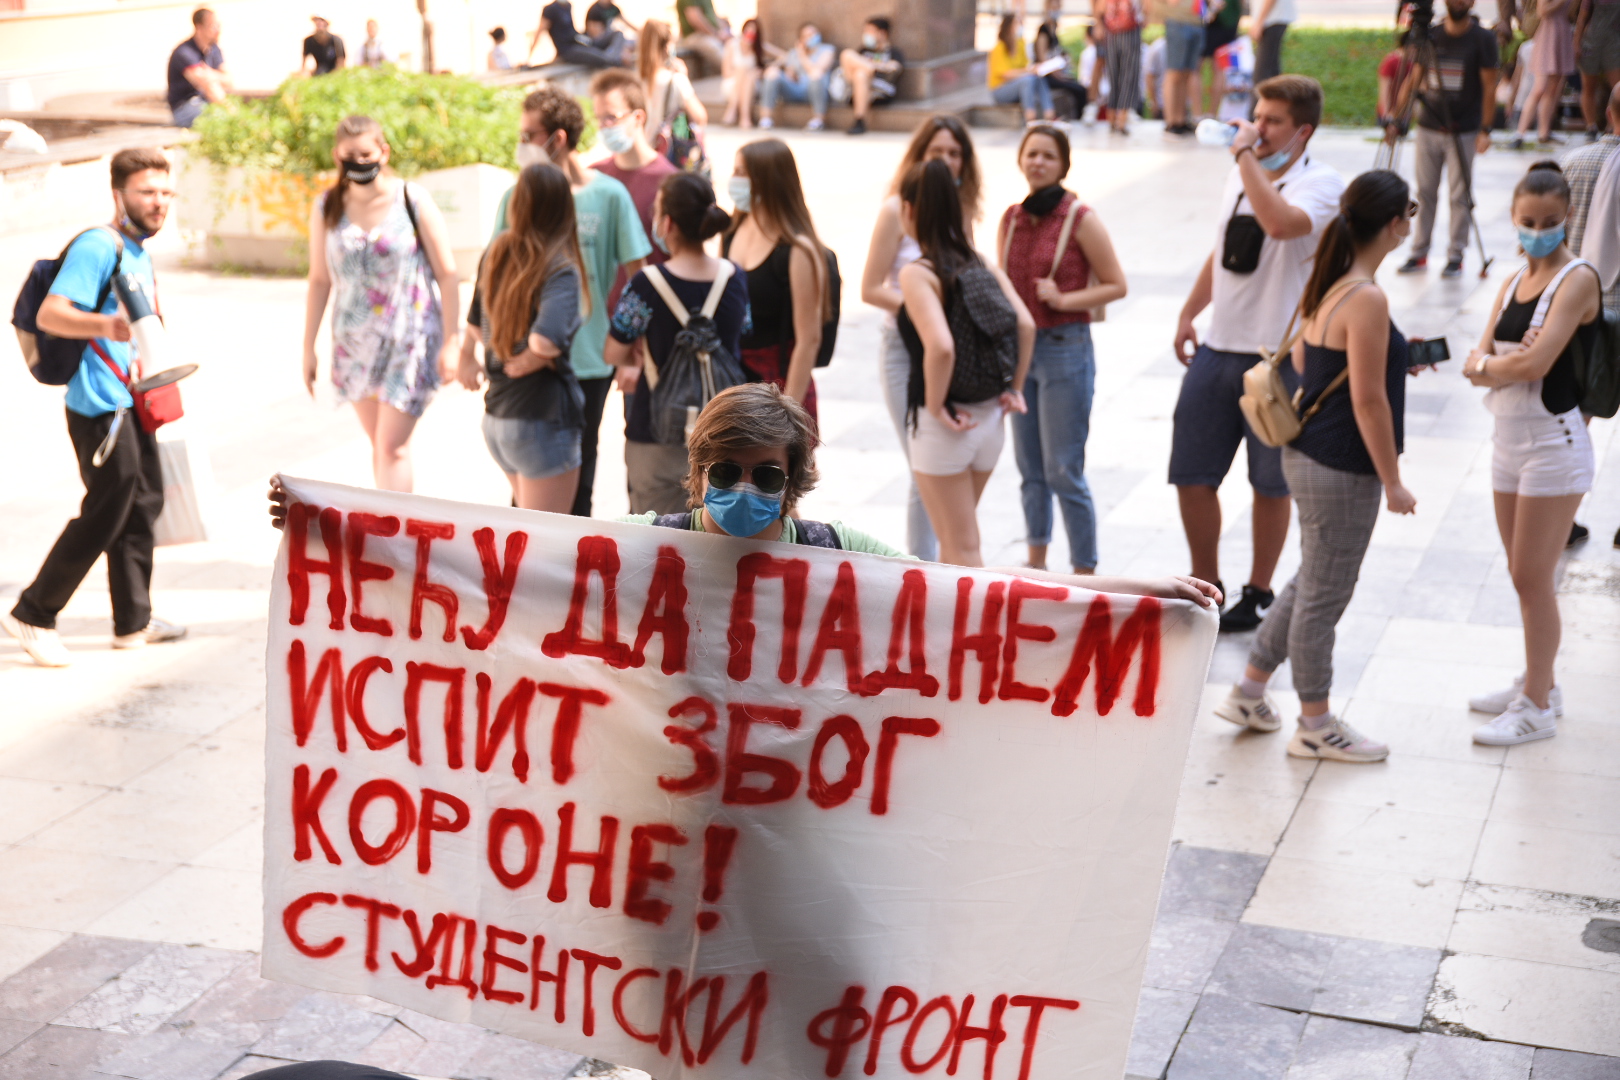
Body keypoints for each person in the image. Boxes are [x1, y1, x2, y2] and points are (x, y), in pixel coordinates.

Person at [269, 386, 1224, 616]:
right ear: (696, 477)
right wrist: (334, 525)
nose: (741, 494)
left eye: (764, 476)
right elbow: (498, 563)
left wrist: (1137, 595)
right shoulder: (647, 545)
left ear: (797, 477)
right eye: (723, 475)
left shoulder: (837, 549)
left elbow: (976, 599)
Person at [1213, 171, 1420, 763]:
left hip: (1305, 454)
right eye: (1409, 210)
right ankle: (1315, 722)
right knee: (1326, 595)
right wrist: (1393, 480)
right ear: (1392, 223)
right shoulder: (1367, 296)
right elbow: (1367, 400)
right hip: (1342, 465)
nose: (1411, 221)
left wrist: (1395, 356)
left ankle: (1250, 690)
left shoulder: (1330, 283)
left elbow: (1310, 361)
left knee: (1311, 579)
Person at [1, 149, 186, 667]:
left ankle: (133, 621)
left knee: (142, 502)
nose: (159, 202)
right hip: (97, 405)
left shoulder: (137, 251)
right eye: (147, 191)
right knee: (107, 508)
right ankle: (33, 613)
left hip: (130, 400)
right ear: (118, 193)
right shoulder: (97, 245)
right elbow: (53, 313)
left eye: (166, 192)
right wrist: (105, 326)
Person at [1171, 75, 1344, 630]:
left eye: (1272, 121)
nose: (1258, 128)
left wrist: (1246, 155)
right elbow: (1223, 249)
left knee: (1270, 481)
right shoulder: (1241, 174)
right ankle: (1208, 583)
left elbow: (1279, 223)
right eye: (1257, 115)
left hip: (1277, 359)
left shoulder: (1321, 184)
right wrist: (1187, 312)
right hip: (1218, 348)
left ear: (1303, 131)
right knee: (1192, 474)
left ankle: (1260, 590)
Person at [1462, 162, 1602, 744]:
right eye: (1527, 221)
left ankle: (1537, 706)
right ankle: (1537, 679)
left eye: (1548, 221)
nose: (1537, 231)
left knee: (1531, 576)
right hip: (1508, 443)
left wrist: (1495, 366)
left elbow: (1533, 364)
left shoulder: (1577, 279)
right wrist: (1497, 364)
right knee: (1524, 577)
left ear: (1565, 216)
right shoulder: (1512, 278)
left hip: (1554, 446)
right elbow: (1481, 357)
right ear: (1513, 218)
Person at [492, 87, 649, 517]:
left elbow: (640, 280)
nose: (522, 144)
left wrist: (634, 352)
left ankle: (571, 575)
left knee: (579, 483)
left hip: (591, 362)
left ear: (557, 138)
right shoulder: (517, 196)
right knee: (526, 486)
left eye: (529, 134)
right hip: (529, 361)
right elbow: (494, 277)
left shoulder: (609, 195)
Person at [302, 115, 460, 492]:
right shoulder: (327, 206)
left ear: (383, 152)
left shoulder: (411, 199)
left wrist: (453, 341)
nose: (358, 162)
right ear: (336, 157)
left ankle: (399, 537)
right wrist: (308, 347)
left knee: (392, 447)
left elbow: (448, 273)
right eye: (348, 155)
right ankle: (392, 530)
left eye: (366, 153)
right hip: (355, 344)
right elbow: (320, 279)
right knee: (380, 447)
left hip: (410, 339)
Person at [998, 124, 1127, 575]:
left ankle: (1084, 570)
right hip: (1021, 353)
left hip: (1066, 349)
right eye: (1031, 153)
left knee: (1063, 469)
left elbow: (1117, 284)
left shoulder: (1080, 218)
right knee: (1030, 468)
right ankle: (1035, 562)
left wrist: (1064, 299)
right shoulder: (1012, 217)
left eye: (1048, 156)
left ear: (1063, 164)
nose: (1037, 162)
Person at [899, 160, 1036, 568]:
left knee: (960, 548)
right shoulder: (979, 261)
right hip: (991, 417)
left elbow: (940, 347)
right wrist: (1015, 387)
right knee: (960, 542)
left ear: (910, 210)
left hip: (948, 425)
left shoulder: (918, 273)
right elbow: (1025, 324)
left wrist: (937, 404)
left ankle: (968, 631)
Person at [861, 116, 985, 561]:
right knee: (923, 464)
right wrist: (921, 306)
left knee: (945, 463)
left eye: (955, 154)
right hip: (904, 349)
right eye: (938, 153)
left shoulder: (962, 207)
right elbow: (871, 287)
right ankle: (923, 564)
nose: (947, 161)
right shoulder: (898, 207)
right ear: (920, 156)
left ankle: (951, 555)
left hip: (948, 351)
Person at [604, 173, 749, 515]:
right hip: (724, 435)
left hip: (656, 433)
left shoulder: (647, 283)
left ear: (666, 222)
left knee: (654, 538)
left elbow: (613, 351)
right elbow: (743, 330)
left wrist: (639, 354)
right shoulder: (734, 277)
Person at [462, 163, 588, 513]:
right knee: (543, 543)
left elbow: (474, 324)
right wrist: (540, 355)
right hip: (541, 418)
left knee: (525, 530)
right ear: (564, 208)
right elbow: (544, 342)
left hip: (499, 418)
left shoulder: (496, 251)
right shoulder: (559, 267)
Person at [1388, 0, 1499, 278]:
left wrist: (1486, 129)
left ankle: (1455, 255)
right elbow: (1414, 79)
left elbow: (1489, 87)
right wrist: (1396, 118)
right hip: (1429, 125)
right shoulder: (1432, 35)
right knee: (1424, 192)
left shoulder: (1483, 39)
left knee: (1459, 194)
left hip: (1463, 128)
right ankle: (1419, 252)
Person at [722, 139, 832, 420]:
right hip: (734, 385)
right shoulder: (732, 232)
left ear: (767, 180)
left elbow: (809, 340)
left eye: (741, 173)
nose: (733, 180)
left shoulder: (797, 251)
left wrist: (787, 415)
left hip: (780, 389)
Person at [590, 69, 680, 300]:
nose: (603, 126)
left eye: (611, 117)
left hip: (650, 313)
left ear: (638, 117)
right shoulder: (594, 176)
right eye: (598, 118)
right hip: (601, 315)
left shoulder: (670, 182)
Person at [1516, 0, 1578, 144]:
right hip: (1548, 34)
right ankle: (1520, 133)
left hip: (1562, 32)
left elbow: (1570, 14)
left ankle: (1544, 132)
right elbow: (1541, 11)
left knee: (1552, 90)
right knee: (1539, 89)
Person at [760, 23, 838, 131]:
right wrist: (790, 75)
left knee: (816, 75)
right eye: (807, 35)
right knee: (772, 72)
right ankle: (765, 119)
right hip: (795, 89)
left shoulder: (827, 50)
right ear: (801, 39)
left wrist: (802, 55)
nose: (811, 37)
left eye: (813, 33)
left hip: (815, 91)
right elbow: (789, 71)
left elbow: (816, 70)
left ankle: (818, 120)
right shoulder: (793, 53)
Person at [640, 19, 709, 138]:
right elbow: (700, 116)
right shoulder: (676, 79)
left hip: (646, 145)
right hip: (669, 148)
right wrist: (684, 78)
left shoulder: (638, 81)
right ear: (667, 46)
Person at [839, 18, 906, 135]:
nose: (866, 34)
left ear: (882, 33)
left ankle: (859, 120)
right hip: (857, 88)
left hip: (880, 91)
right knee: (848, 56)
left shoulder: (893, 52)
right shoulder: (863, 50)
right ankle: (870, 71)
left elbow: (895, 68)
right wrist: (877, 67)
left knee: (861, 73)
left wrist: (874, 67)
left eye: (870, 31)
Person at [166, 7, 229, 129]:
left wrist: (211, 74)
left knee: (222, 115)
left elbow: (230, 81)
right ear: (199, 28)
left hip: (206, 102)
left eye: (218, 25)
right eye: (212, 26)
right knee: (221, 119)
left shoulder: (214, 49)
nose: (218, 30)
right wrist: (229, 108)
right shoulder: (184, 52)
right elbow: (207, 86)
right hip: (184, 107)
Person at [989, 15, 1057, 124]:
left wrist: (1033, 69)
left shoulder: (1020, 44)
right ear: (1009, 27)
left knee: (1037, 77)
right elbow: (1006, 75)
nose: (1019, 27)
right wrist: (1028, 72)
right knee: (1028, 80)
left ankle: (1049, 112)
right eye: (1016, 24)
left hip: (1019, 84)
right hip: (1001, 90)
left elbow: (1026, 67)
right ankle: (1030, 115)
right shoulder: (999, 48)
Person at [526, 0, 623, 69]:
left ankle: (614, 58)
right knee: (604, 59)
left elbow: (571, 32)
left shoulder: (567, 6)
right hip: (568, 50)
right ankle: (613, 60)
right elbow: (540, 32)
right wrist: (529, 57)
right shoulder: (550, 10)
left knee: (617, 34)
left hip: (578, 41)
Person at [1156, 0, 1204, 134]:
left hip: (1196, 20)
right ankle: (1171, 121)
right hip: (1177, 20)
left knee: (1186, 74)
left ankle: (1180, 120)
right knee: (1174, 73)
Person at [722, 19, 780, 128]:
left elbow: (783, 56)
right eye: (748, 28)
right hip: (732, 83)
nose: (750, 32)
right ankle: (741, 114)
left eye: (754, 30)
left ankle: (736, 113)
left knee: (749, 75)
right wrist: (742, 73)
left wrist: (766, 69)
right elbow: (726, 72)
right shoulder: (732, 45)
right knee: (743, 71)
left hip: (751, 85)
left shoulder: (759, 47)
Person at [1576, 0, 1620, 138]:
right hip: (1591, 42)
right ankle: (1591, 126)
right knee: (1589, 87)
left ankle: (1613, 126)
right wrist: (1576, 43)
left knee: (1617, 87)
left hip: (1613, 42)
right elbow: (1582, 18)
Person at [1101, 0, 1144, 134]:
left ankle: (1118, 119)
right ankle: (1117, 120)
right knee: (1120, 74)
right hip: (1116, 28)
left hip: (1121, 27)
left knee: (1123, 74)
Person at [1201, 0, 1242, 116]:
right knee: (1220, 69)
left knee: (1197, 68)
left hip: (1215, 22)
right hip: (1229, 22)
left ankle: (1200, 114)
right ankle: (1211, 113)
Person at [1249, 0, 1296, 87]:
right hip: (1272, 19)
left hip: (1272, 20)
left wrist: (1259, 23)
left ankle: (1264, 100)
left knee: (1262, 77)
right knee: (1272, 72)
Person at [676, 0, 726, 78]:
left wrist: (724, 31)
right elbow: (695, 19)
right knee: (713, 46)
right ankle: (734, 70)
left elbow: (713, 15)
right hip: (695, 35)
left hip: (710, 34)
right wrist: (715, 34)